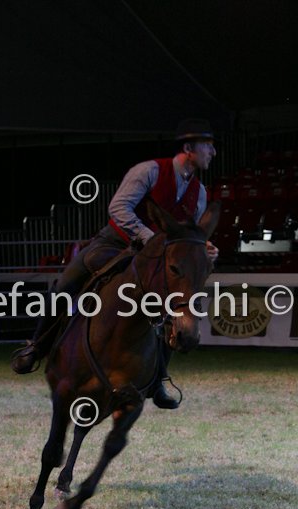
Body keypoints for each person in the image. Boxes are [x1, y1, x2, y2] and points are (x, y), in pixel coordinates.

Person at [12, 118, 219, 408]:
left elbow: (187, 236)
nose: (213, 152)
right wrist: (150, 238)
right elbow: (118, 208)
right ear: (188, 148)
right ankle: (36, 346)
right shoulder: (148, 171)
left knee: (172, 305)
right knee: (65, 285)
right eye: (207, 146)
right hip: (115, 243)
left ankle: (158, 379)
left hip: (154, 259)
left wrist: (204, 248)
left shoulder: (200, 193)